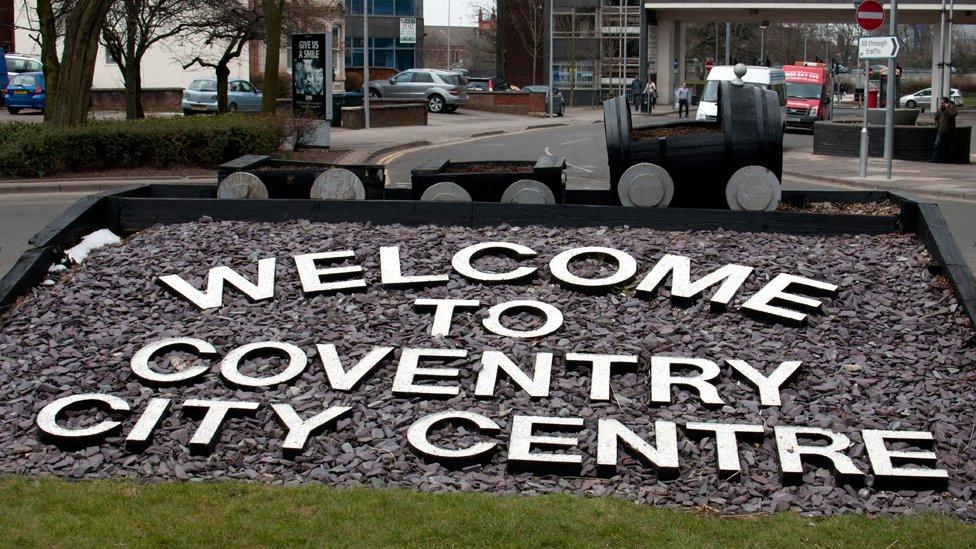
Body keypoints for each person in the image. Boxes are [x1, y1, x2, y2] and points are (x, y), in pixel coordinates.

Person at [931, 96, 959, 163]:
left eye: (942, 103)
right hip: (941, 130)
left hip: (950, 130)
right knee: (937, 145)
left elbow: (953, 115)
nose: (941, 104)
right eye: (940, 103)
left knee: (952, 146)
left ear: (946, 103)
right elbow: (936, 118)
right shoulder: (940, 109)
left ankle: (955, 160)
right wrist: (937, 125)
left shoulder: (952, 108)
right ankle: (934, 158)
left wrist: (947, 109)